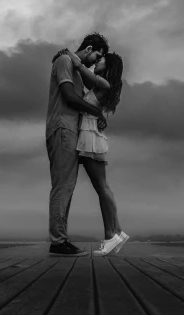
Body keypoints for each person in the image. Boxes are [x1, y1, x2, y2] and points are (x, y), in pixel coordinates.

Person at [45, 32, 109, 257]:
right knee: (63, 185)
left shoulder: (75, 68)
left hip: (71, 131)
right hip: (63, 128)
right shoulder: (64, 61)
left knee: (67, 186)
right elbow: (69, 97)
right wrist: (96, 112)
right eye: (98, 55)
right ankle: (57, 241)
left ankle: (61, 239)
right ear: (89, 49)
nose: (97, 61)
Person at [63, 47, 129, 257]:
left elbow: (81, 67)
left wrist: (74, 57)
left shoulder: (104, 83)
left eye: (101, 61)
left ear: (107, 67)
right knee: (103, 187)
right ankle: (117, 233)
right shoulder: (100, 83)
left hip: (90, 136)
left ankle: (110, 235)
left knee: (101, 187)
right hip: (90, 134)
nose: (97, 63)